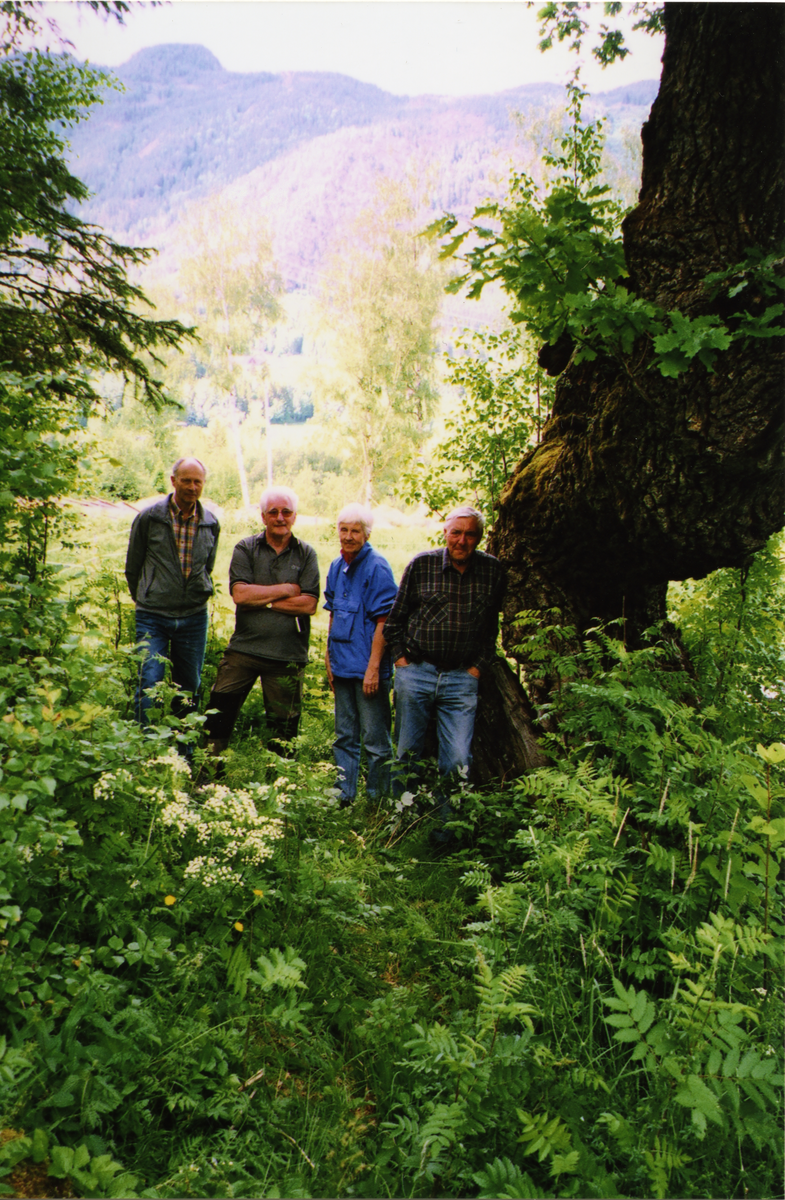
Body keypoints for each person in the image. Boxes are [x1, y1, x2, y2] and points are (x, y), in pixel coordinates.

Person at [383, 505, 505, 848]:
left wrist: (477, 668)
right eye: (456, 532)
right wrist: (402, 661)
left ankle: (447, 833)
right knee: (407, 753)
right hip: (417, 672)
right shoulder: (422, 565)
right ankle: (398, 822)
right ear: (445, 533)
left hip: (461, 679)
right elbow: (395, 622)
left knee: (456, 760)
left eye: (469, 534)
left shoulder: (492, 571)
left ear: (479, 538)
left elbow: (491, 629)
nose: (461, 540)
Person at [204, 486, 319, 757]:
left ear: (294, 516)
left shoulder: (306, 553)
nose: (280, 517)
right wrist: (287, 588)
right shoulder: (246, 547)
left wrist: (264, 600)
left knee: (284, 730)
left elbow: (309, 604)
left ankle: (279, 788)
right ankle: (206, 779)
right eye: (273, 512)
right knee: (217, 714)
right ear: (263, 516)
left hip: (287, 655)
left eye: (286, 512)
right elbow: (241, 594)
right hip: (244, 650)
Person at [125, 457, 220, 728]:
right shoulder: (150, 518)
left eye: (197, 481)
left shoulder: (210, 522)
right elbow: (133, 566)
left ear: (203, 484)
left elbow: (207, 566)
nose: (192, 487)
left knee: (189, 686)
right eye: (186, 480)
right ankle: (146, 751)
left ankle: (183, 753)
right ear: (173, 481)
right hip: (152, 616)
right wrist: (148, 594)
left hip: (193, 617)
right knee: (150, 683)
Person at [324, 504, 398, 808]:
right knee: (344, 735)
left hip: (369, 669)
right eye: (344, 529)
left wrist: (374, 668)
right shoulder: (334, 567)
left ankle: (378, 800)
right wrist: (328, 661)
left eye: (355, 530)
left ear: (367, 534)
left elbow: (385, 621)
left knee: (376, 741)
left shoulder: (377, 566)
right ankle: (344, 795)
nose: (349, 536)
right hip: (342, 666)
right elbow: (331, 616)